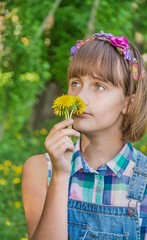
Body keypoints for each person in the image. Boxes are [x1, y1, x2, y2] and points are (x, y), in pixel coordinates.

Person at [22, 31, 147, 240]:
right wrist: (61, 175)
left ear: (128, 103)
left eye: (99, 86)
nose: (80, 98)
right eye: (76, 83)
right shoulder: (40, 170)